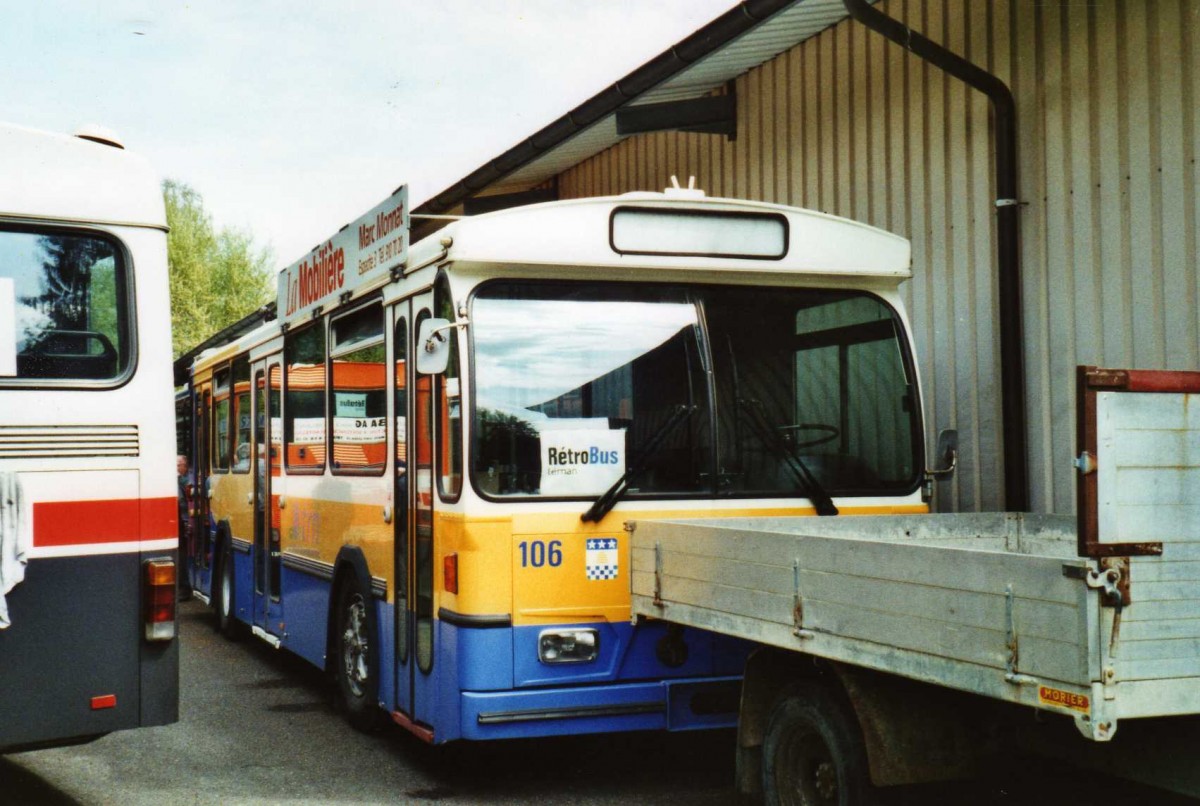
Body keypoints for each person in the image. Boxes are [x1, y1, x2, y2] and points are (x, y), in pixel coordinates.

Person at [177, 455, 194, 599]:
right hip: (182, 519)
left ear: (185, 466)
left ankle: (185, 586)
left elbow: (183, 501)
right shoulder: (181, 479)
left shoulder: (186, 479)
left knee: (185, 554)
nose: (176, 469)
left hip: (185, 520)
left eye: (178, 466)